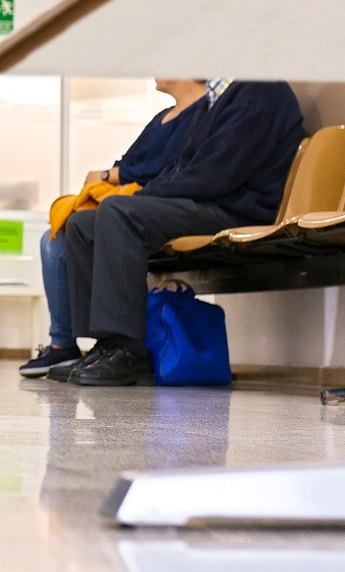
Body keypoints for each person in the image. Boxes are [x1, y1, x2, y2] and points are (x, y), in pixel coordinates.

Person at [53, 79, 305, 386]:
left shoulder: (262, 90)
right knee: (82, 225)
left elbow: (216, 176)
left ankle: (128, 349)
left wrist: (143, 197)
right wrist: (145, 195)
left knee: (118, 211)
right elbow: (183, 168)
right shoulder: (224, 97)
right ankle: (105, 344)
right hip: (209, 201)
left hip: (234, 209)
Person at [19, 80, 206, 377]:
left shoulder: (204, 114)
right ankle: (94, 343)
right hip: (136, 203)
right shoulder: (161, 118)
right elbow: (130, 161)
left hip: (160, 203)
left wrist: (109, 174)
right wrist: (114, 174)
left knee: (103, 218)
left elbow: (167, 168)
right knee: (67, 229)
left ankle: (123, 346)